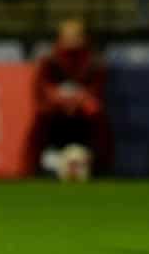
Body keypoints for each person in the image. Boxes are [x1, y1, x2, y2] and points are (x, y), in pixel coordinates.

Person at [26, 19, 113, 180]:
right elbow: (43, 88)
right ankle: (35, 169)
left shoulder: (94, 62)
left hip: (82, 108)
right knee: (42, 117)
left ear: (84, 38)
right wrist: (61, 100)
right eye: (68, 36)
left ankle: (100, 168)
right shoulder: (49, 60)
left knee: (97, 115)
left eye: (75, 36)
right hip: (57, 108)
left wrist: (78, 100)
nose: (71, 40)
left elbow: (96, 90)